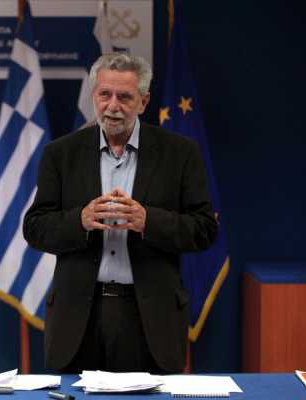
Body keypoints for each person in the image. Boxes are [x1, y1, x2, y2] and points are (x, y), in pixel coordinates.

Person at [23, 53, 218, 373]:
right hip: (78, 319)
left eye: (125, 97)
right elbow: (35, 228)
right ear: (94, 96)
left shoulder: (180, 153)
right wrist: (79, 220)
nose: (113, 105)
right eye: (105, 94)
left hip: (150, 318)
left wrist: (149, 221)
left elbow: (205, 229)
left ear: (143, 102)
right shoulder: (60, 154)